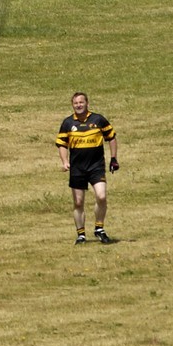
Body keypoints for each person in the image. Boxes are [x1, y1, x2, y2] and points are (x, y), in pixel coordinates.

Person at [55, 92, 120, 244]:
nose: (78, 105)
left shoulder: (98, 119)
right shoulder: (68, 123)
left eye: (81, 102)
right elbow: (62, 144)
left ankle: (99, 228)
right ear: (72, 105)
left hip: (96, 166)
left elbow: (111, 137)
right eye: (76, 103)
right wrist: (65, 161)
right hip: (77, 168)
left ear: (87, 103)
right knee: (78, 202)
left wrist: (114, 158)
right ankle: (81, 235)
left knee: (101, 196)